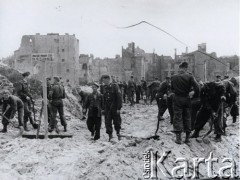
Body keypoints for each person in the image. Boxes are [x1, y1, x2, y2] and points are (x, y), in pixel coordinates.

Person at [171, 62, 199, 144]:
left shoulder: (173, 77)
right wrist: (193, 92)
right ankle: (187, 138)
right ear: (186, 68)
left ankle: (178, 138)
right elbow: (197, 87)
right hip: (187, 99)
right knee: (187, 117)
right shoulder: (190, 76)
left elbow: (172, 88)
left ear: (180, 68)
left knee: (177, 117)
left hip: (177, 99)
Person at [101, 75, 122, 141]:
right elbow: (103, 99)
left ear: (108, 79)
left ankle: (118, 134)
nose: (103, 82)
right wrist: (103, 108)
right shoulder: (104, 87)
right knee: (107, 122)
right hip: (107, 108)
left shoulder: (115, 86)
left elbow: (119, 97)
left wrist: (119, 108)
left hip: (115, 107)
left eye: (104, 80)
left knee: (117, 122)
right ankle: (110, 136)